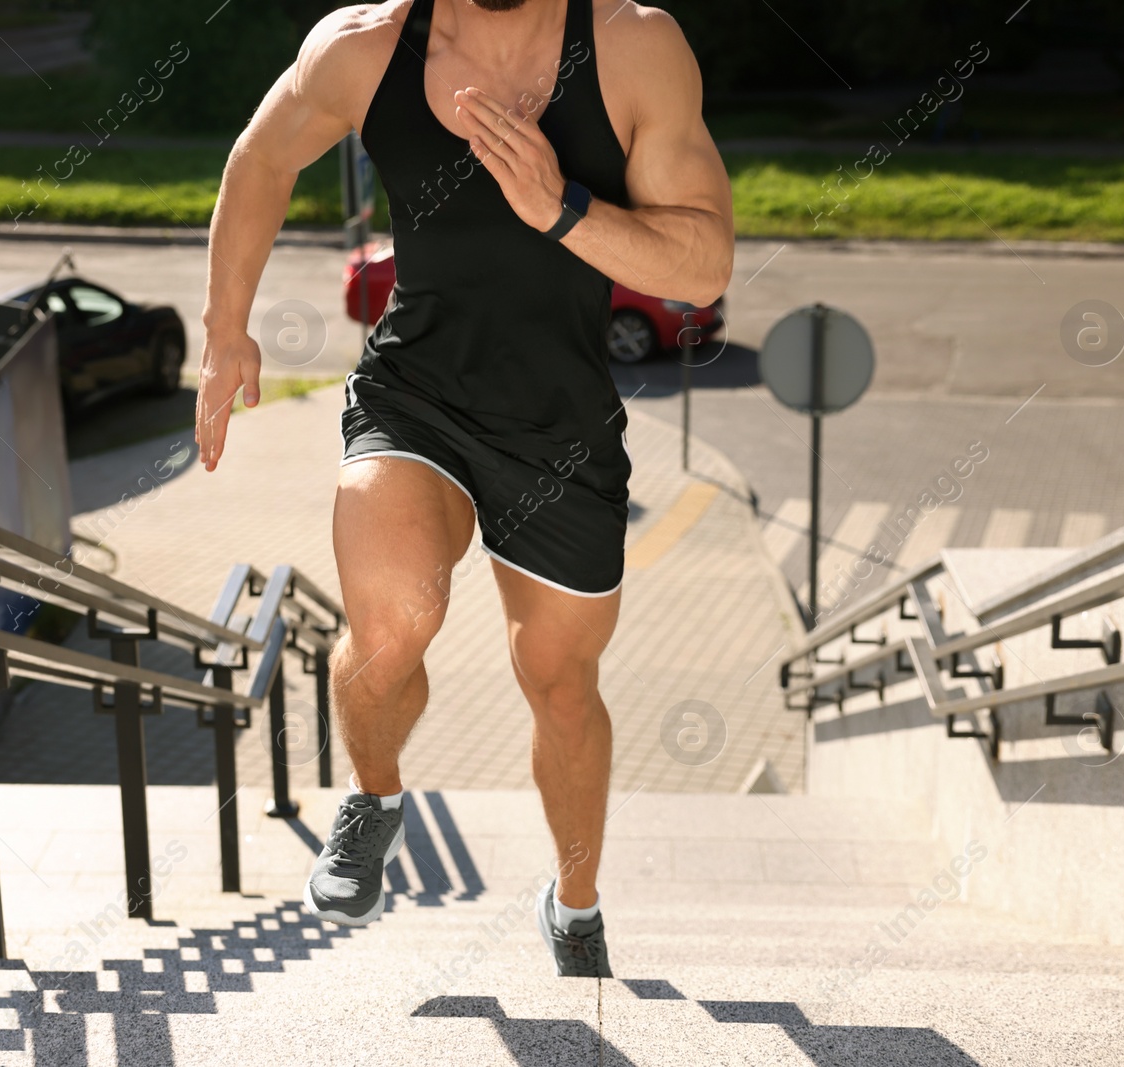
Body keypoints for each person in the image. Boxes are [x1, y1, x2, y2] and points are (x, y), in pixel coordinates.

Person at [194, 0, 733, 978]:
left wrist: (560, 206)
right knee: (392, 621)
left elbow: (701, 263)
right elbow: (263, 157)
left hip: (561, 428)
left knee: (560, 685)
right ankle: (375, 796)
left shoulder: (630, 44)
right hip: (416, 396)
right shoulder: (363, 47)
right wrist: (224, 326)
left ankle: (573, 901)